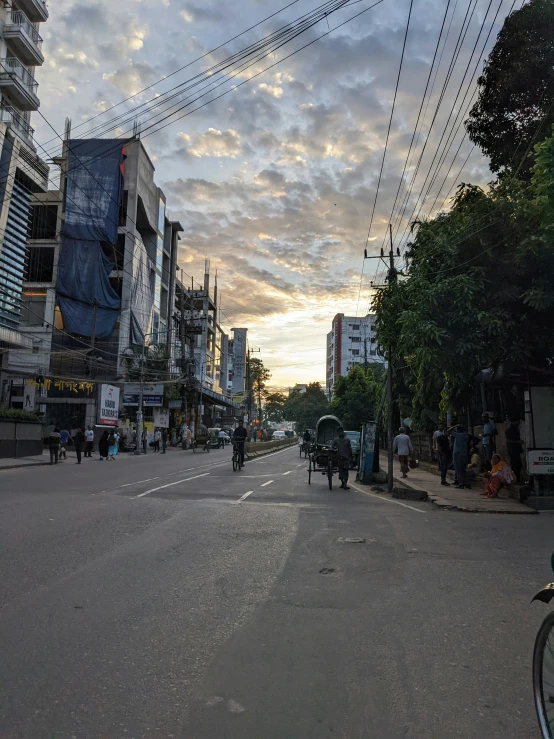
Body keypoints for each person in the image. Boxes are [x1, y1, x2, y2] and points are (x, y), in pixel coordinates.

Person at [448, 424, 472, 489]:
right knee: (464, 469)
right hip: (464, 454)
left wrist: (454, 426)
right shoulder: (466, 435)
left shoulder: (458, 435)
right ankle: (468, 483)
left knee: (458, 470)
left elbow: (448, 431)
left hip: (457, 454)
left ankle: (461, 484)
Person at [505, 418, 523, 482]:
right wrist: (517, 442)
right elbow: (507, 440)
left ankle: (515, 478)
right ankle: (515, 479)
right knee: (516, 465)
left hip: (514, 450)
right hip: (513, 450)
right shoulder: (511, 428)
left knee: (517, 465)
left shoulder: (513, 427)